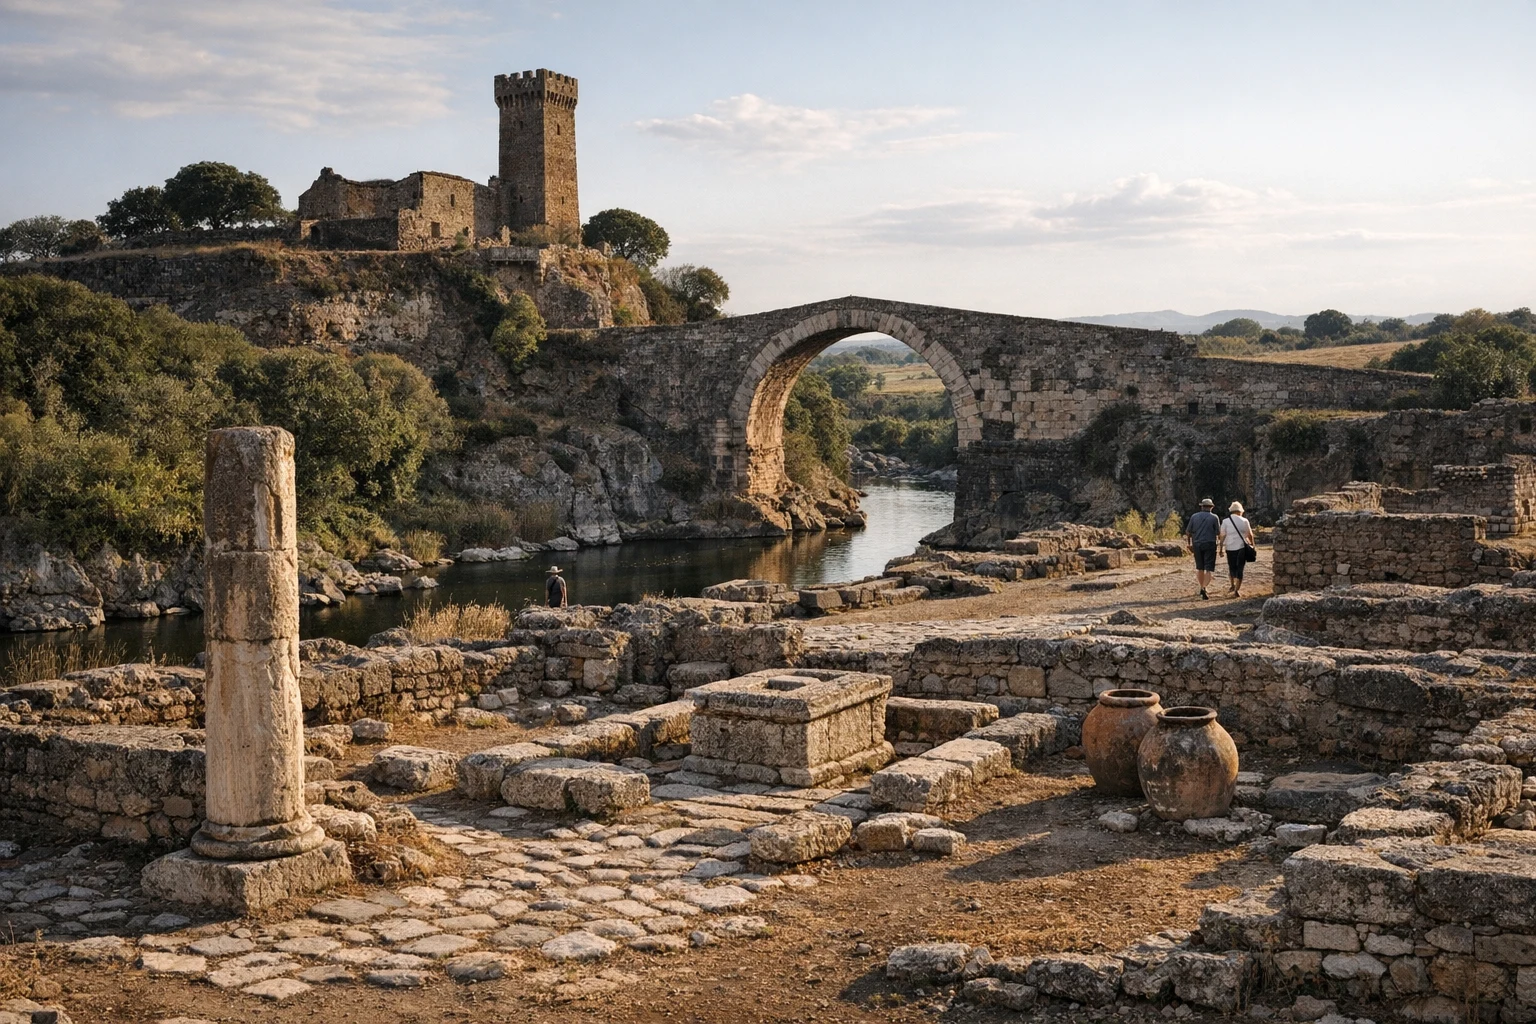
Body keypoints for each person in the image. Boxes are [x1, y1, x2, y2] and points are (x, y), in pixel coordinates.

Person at [1185, 497, 1221, 600]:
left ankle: (1201, 587)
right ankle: (1204, 587)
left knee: (1199, 567)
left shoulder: (1194, 516)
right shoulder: (1214, 518)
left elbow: (1188, 532)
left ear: (1202, 507)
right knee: (1208, 568)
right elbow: (1218, 533)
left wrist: (1189, 544)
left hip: (1197, 544)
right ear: (1211, 507)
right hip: (1210, 544)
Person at [1220, 501, 1256, 598]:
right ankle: (1237, 590)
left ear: (1231, 511)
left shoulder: (1225, 521)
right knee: (1240, 568)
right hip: (1241, 547)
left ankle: (1232, 585)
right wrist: (1253, 546)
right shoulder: (1244, 521)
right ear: (1240, 511)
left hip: (1229, 547)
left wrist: (1220, 549)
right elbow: (1250, 535)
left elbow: (1222, 535)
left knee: (1231, 567)